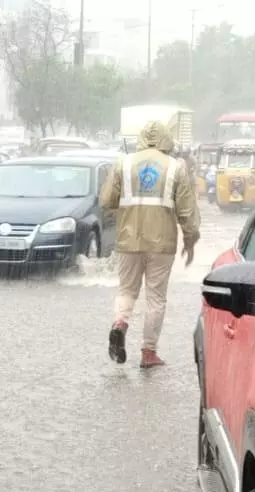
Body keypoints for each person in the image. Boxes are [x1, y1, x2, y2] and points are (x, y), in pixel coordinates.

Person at [100, 120, 201, 369]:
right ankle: (148, 352)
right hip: (162, 244)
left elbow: (106, 201)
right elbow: (187, 212)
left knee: (127, 290)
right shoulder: (176, 167)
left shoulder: (123, 163)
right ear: (167, 141)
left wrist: (126, 210)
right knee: (156, 297)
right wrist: (190, 240)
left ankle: (120, 323)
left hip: (128, 240)